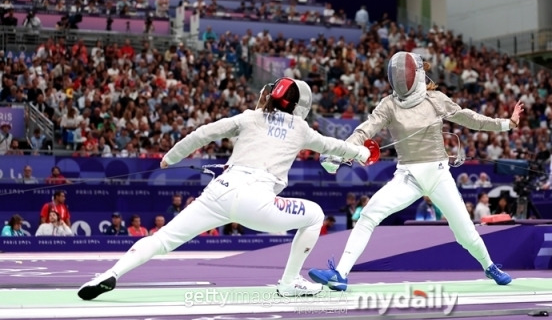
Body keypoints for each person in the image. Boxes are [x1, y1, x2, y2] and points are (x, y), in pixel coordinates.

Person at [77, 77, 374, 301]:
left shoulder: (249, 117)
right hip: (258, 202)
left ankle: (110, 274)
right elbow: (335, 146)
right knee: (315, 214)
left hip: (219, 193)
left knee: (164, 238)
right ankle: (288, 281)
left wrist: (171, 157)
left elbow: (203, 133)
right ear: (298, 106)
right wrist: (361, 154)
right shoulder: (301, 129)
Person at [309, 52, 523, 291]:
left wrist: (507, 123)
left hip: (439, 175)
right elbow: (364, 131)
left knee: (465, 234)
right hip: (408, 177)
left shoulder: (436, 100)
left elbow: (471, 119)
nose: (401, 78)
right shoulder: (388, 105)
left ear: (417, 75)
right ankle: (340, 274)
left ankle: (490, 266)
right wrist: (341, 151)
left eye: (405, 73)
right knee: (368, 215)